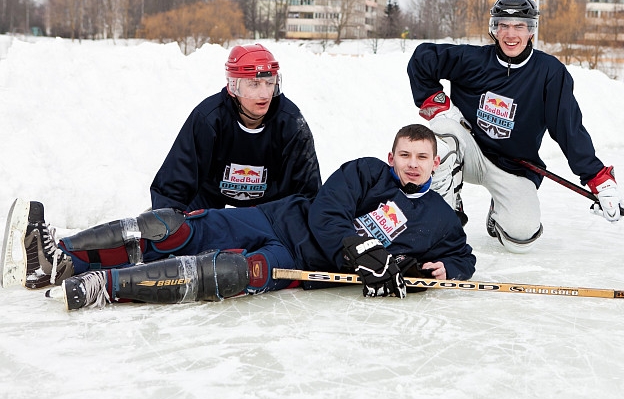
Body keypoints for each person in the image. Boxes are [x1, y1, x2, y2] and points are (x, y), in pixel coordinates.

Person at [6, 124, 475, 310]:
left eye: (422, 156)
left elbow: (461, 257)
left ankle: (99, 287)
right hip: (278, 222)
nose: (413, 163)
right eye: (405, 154)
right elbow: (329, 212)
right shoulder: (366, 172)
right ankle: (62, 258)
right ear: (391, 156)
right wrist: (365, 253)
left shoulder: (441, 219)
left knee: (231, 273)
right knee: (173, 226)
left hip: (303, 268)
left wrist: (446, 269)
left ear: (436, 163)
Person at [407, 0, 621, 254]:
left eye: (520, 26)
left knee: (520, 238)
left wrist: (598, 179)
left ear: (531, 31)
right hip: (469, 152)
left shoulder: (550, 73)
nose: (511, 34)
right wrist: (438, 105)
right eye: (503, 26)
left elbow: (568, 128)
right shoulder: (473, 60)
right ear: (494, 29)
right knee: (443, 132)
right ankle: (444, 215)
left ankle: (499, 213)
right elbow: (422, 58)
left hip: (514, 167)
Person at [150, 43, 322, 212]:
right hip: (209, 196)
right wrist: (167, 221)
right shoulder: (208, 118)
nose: (264, 94)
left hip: (271, 204)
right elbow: (175, 180)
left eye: (269, 83)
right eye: (254, 84)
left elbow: (308, 192)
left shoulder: (292, 123)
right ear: (233, 86)